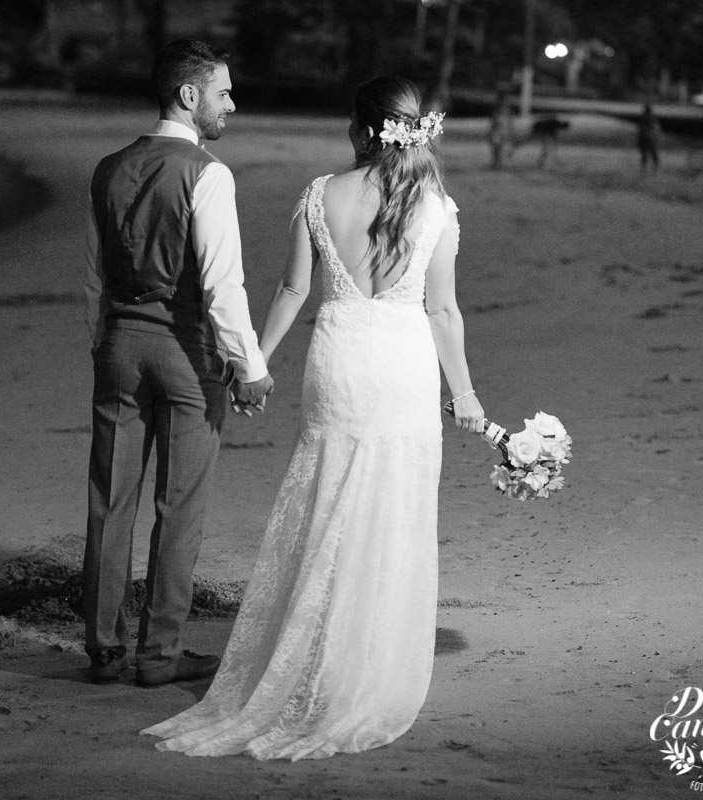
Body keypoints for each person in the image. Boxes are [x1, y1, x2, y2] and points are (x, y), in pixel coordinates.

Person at [142, 75, 485, 759]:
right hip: (402, 363)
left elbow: (294, 288)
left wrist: (253, 365)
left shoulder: (319, 192)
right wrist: (466, 394)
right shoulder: (436, 205)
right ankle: (366, 658)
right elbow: (442, 311)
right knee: (391, 508)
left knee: (327, 499)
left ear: (360, 129)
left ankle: (315, 651)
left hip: (339, 360)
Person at [82, 40, 274, 688]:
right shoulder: (206, 173)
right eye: (223, 92)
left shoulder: (109, 168)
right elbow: (223, 285)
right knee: (179, 509)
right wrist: (248, 366)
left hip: (119, 347)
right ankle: (157, 655)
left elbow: (93, 277)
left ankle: (104, 650)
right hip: (185, 351)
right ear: (188, 96)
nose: (231, 104)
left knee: (110, 504)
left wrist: (103, 345)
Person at [636, 102, 662, 174]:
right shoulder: (653, 118)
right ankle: (655, 169)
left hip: (643, 139)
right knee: (654, 154)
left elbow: (639, 130)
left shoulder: (641, 118)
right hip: (651, 139)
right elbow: (656, 129)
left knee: (644, 155)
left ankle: (643, 169)